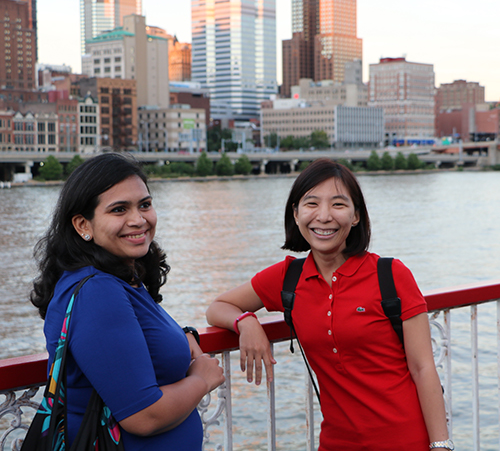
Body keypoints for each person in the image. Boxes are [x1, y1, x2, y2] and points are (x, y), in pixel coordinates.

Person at [206, 158, 453, 451]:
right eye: (311, 204)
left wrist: (441, 445)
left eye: (338, 204)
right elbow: (218, 307)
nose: (323, 216)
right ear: (296, 214)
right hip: (337, 442)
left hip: (405, 440)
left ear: (356, 216)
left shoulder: (391, 275)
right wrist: (246, 322)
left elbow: (423, 368)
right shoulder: (288, 278)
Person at [31, 153, 224, 450]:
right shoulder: (98, 292)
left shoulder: (119, 277)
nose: (138, 220)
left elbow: (130, 340)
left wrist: (183, 336)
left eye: (144, 205)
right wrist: (202, 379)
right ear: (84, 224)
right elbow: (143, 416)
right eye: (119, 209)